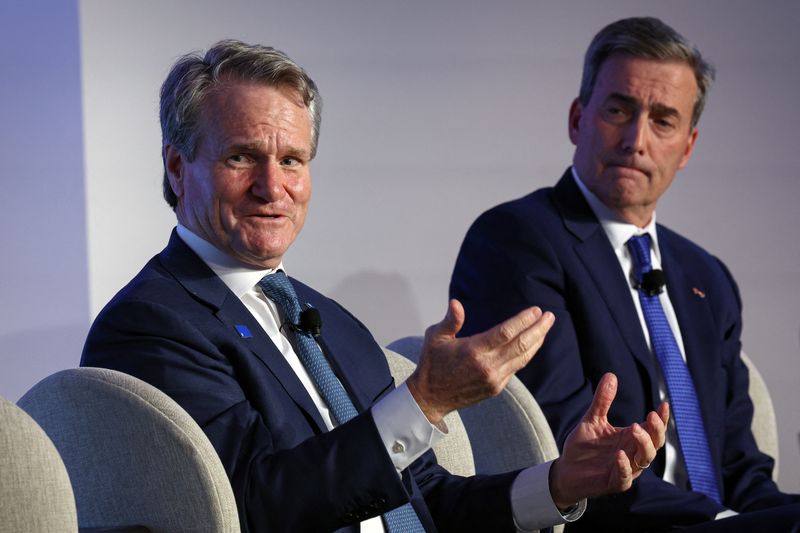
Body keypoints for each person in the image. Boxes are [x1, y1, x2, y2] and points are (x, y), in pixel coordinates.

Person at [81, 39, 668, 533]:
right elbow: (254, 506)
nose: (272, 185)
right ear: (178, 169)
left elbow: (425, 501)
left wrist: (560, 483)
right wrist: (424, 400)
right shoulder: (150, 325)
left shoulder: (329, 320)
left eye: (292, 160)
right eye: (241, 157)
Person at [450, 16, 800, 532]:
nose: (637, 139)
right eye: (619, 109)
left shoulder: (708, 277)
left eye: (663, 120)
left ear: (688, 147)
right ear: (578, 118)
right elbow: (568, 440)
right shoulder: (518, 240)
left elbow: (741, 466)